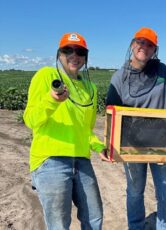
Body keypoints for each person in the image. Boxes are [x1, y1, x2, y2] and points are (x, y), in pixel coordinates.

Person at [23, 32, 108, 230]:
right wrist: (52, 100)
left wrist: (98, 146)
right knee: (59, 224)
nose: (74, 55)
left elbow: (86, 129)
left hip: (81, 159)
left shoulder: (91, 88)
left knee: (94, 217)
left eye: (79, 51)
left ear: (85, 57)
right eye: (67, 50)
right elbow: (30, 119)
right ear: (59, 54)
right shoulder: (46, 75)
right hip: (51, 159)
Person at [106, 27, 166, 230]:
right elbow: (111, 113)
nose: (145, 47)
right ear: (133, 44)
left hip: (163, 143)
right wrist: (111, 145)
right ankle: (136, 227)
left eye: (150, 44)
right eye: (141, 42)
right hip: (132, 146)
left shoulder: (163, 71)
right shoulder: (119, 77)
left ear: (154, 49)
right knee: (134, 191)